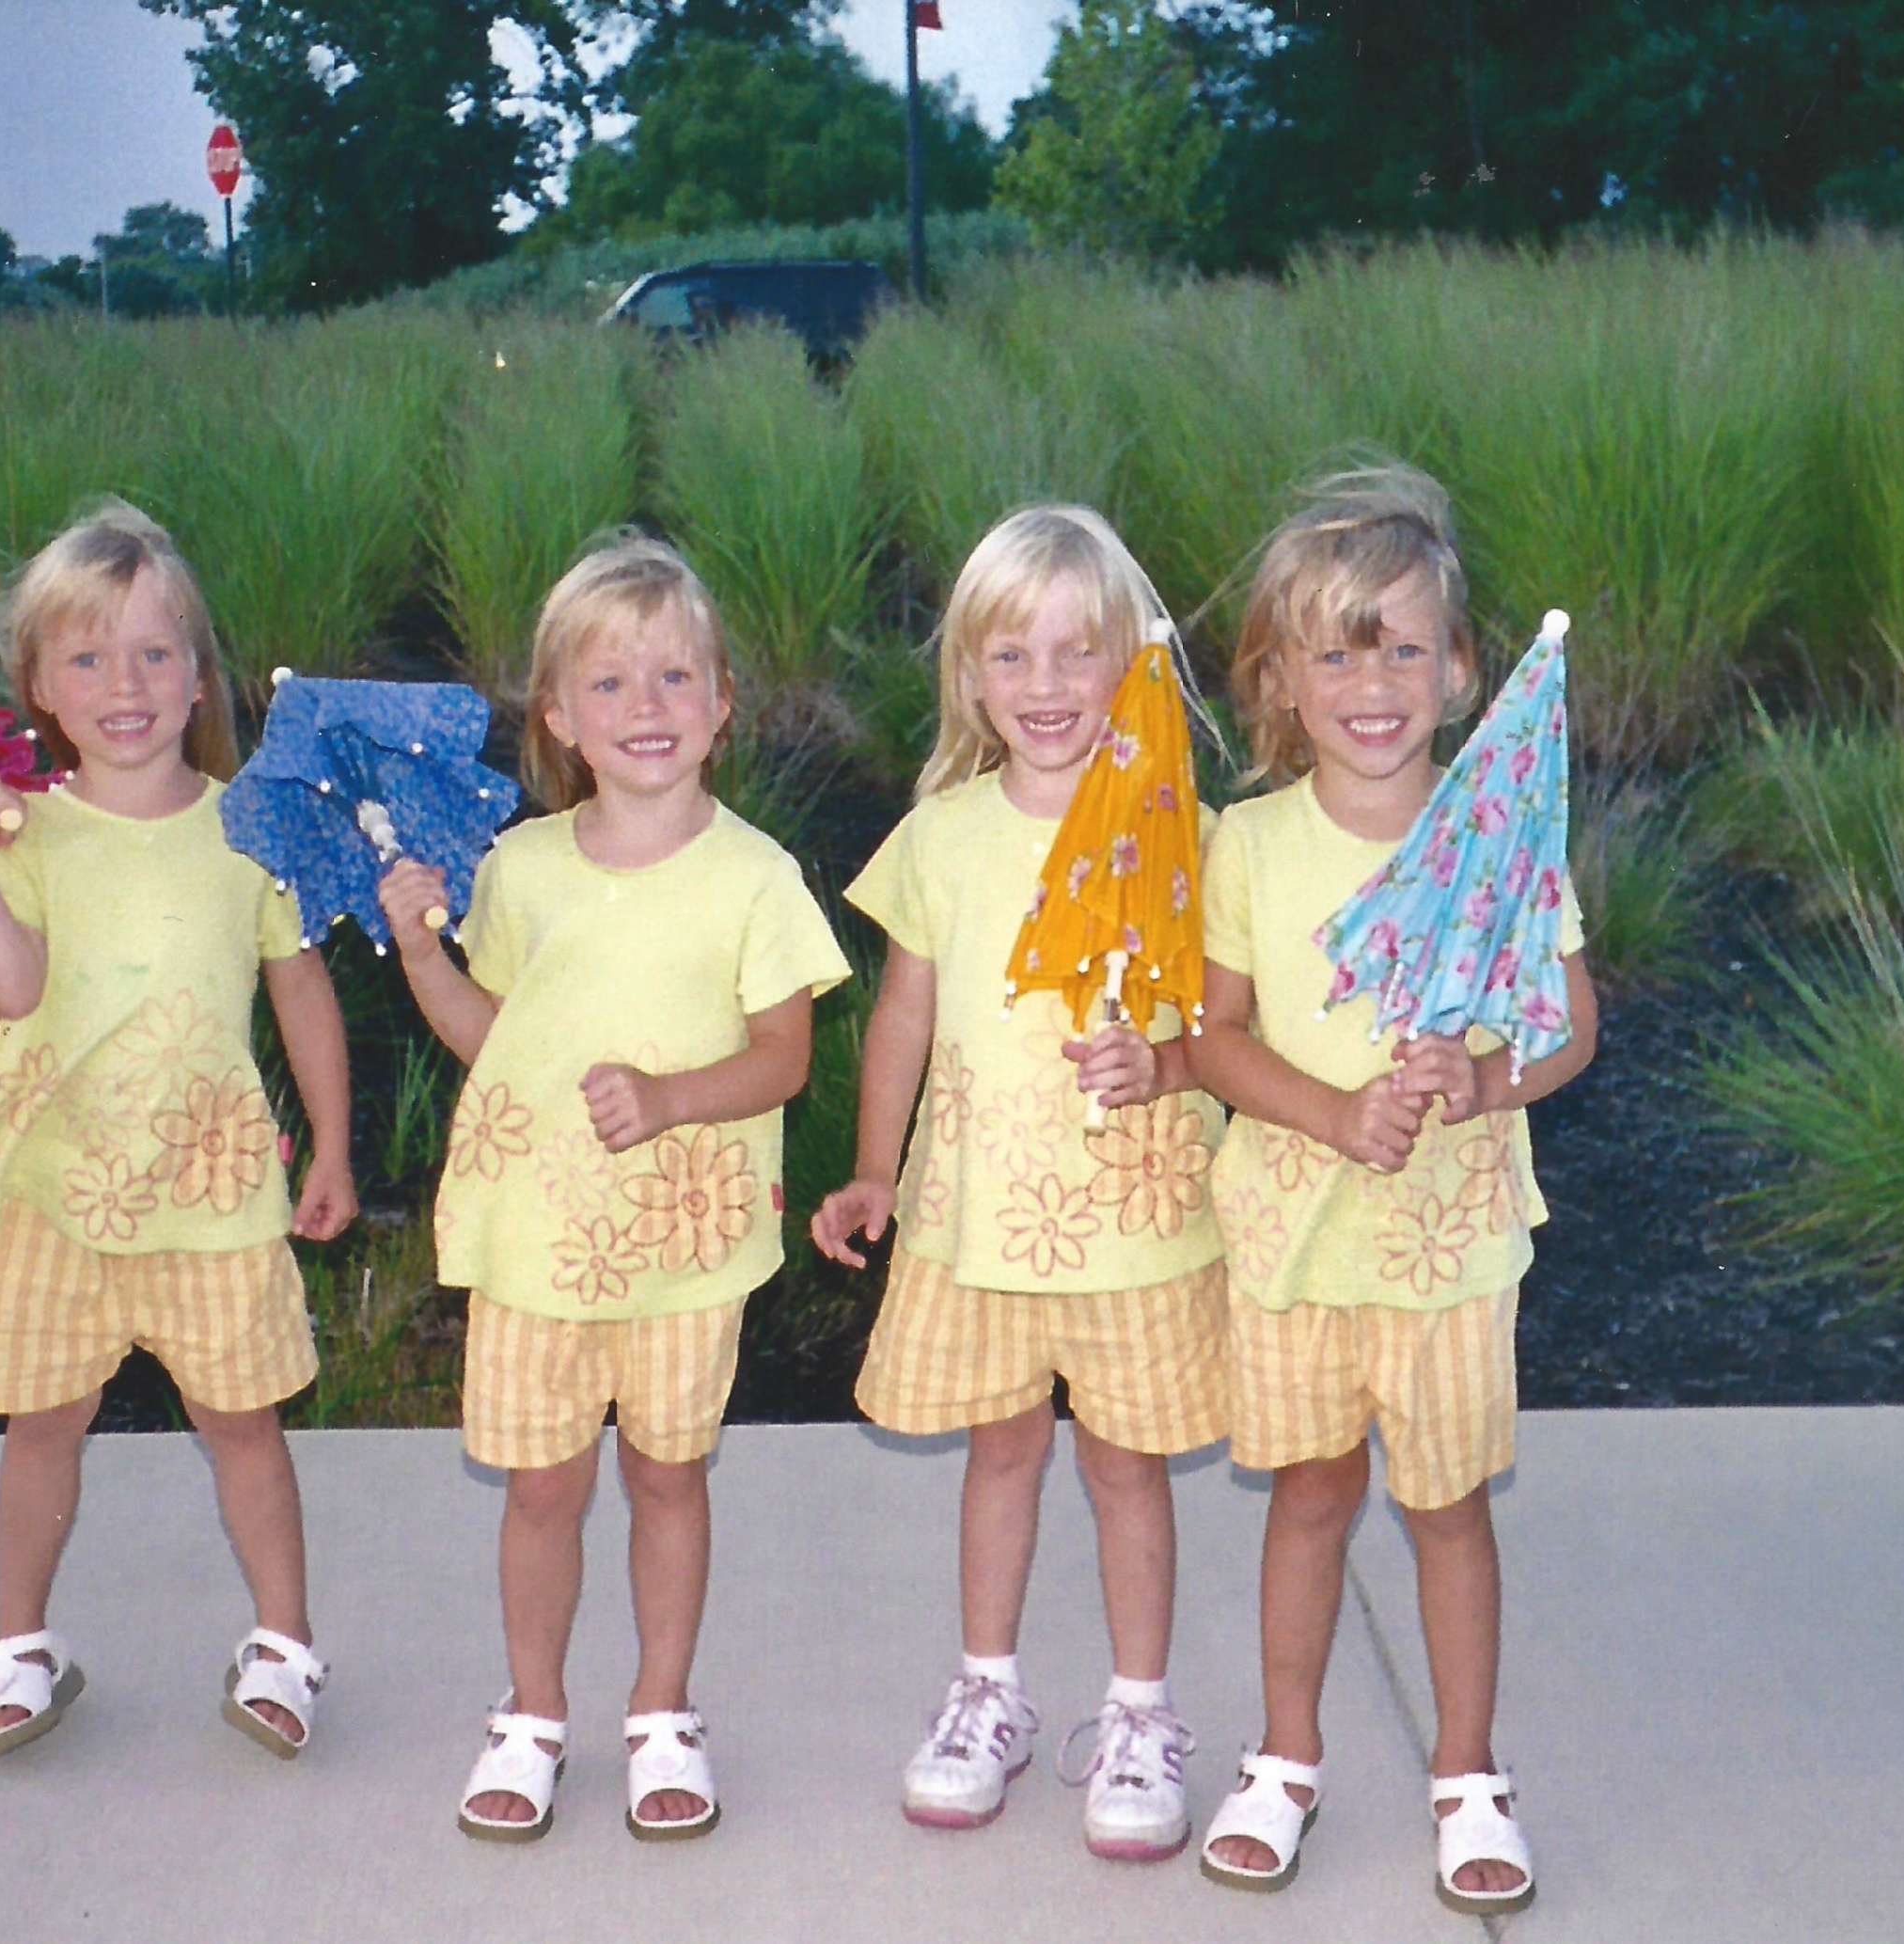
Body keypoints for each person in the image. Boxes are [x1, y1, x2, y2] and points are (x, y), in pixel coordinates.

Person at [378, 532, 849, 1844]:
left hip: (684, 1253)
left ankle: (659, 1709)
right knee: (542, 1488)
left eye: (676, 678)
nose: (647, 708)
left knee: (667, 1477)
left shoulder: (754, 876)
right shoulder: (520, 871)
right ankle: (533, 1713)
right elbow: (495, 1041)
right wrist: (423, 955)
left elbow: (785, 1057)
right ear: (558, 720)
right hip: (541, 1243)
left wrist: (668, 1098)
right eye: (611, 684)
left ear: (723, 704)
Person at [1188, 464, 1596, 1916]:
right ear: (1283, 680)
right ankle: (1286, 1757)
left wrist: (1488, 1080)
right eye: (1338, 651)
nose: (1376, 682)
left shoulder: (1499, 833)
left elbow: (1568, 1019)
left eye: (1407, 647)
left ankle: (1468, 1772)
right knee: (1308, 1498)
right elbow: (1213, 1038)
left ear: (1462, 669)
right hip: (1299, 1240)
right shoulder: (1245, 844)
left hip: (1448, 1242)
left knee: (1446, 1512)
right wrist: (1336, 1111)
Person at [810, 505, 1230, 1862]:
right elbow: (902, 1021)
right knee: (1000, 1450)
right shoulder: (942, 832)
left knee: (1125, 1463)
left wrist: (1161, 1056)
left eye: (1078, 653)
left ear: (1135, 662)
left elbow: (1231, 1020)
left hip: (1131, 1214)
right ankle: (987, 1690)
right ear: (971, 675)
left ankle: (1139, 1711)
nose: (1046, 686)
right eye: (1013, 656)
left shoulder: (1183, 828)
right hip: (978, 1209)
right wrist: (875, 1169)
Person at [0, 500, 358, 1765]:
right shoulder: (26, 835)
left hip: (212, 1190)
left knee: (244, 1423)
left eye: (158, 653)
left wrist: (330, 1144)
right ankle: (20, 1646)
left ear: (202, 676)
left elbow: (300, 989)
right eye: (90, 658)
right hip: (56, 1187)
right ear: (42, 688)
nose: (128, 684)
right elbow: (8, 987)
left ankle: (283, 1641)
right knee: (42, 1422)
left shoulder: (249, 828)